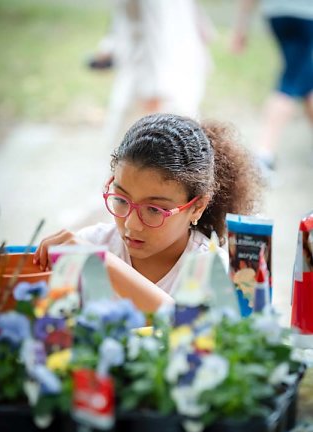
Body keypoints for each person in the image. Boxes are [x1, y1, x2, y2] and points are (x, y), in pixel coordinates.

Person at [34, 113, 262, 311]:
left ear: (197, 207)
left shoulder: (214, 271)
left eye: (154, 209)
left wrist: (103, 265)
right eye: (121, 199)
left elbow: (186, 330)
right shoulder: (90, 243)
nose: (132, 224)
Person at [93, 0, 215, 145]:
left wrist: (155, 88)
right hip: (156, 67)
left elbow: (158, 32)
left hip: (163, 73)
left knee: (173, 141)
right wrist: (109, 47)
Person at [231, 0, 313, 176]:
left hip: (276, 14)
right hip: (306, 15)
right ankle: (263, 155)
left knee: (306, 81)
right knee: (290, 83)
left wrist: (241, 26)